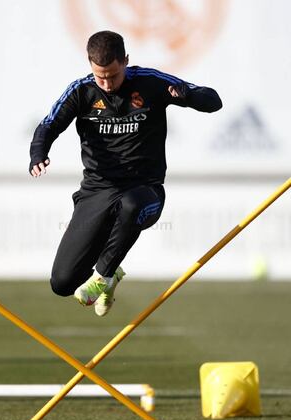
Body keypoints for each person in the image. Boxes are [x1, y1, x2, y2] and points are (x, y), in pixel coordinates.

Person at [29, 30, 222, 316]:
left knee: (131, 205)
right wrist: (38, 154)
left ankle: (104, 274)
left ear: (126, 62)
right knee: (63, 282)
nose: (107, 84)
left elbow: (213, 100)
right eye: (100, 76)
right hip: (97, 191)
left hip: (146, 190)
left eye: (114, 76)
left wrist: (189, 97)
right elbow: (48, 126)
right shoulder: (80, 91)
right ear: (90, 66)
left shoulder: (151, 82)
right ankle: (112, 270)